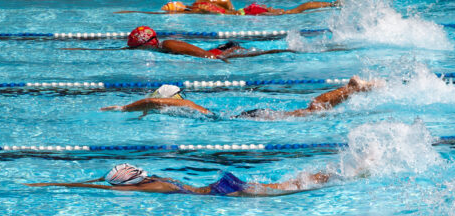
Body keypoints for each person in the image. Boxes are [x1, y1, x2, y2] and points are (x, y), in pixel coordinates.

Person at [101, 75, 377, 118]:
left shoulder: (182, 103)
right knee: (309, 111)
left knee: (311, 112)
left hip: (246, 120)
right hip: (242, 118)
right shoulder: (183, 104)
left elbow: (154, 101)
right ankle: (351, 89)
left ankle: (351, 89)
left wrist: (124, 107)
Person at [24, 161, 335, 197]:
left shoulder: (150, 189)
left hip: (217, 193)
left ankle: (322, 177)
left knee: (280, 193)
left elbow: (110, 186)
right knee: (278, 187)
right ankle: (321, 175)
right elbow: (105, 182)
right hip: (218, 184)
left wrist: (52, 186)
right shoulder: (154, 178)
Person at [124, 25, 287, 58]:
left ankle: (289, 49)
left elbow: (197, 52)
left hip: (220, 53)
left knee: (260, 54)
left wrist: (214, 58)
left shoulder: (167, 44)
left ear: (144, 44)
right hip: (218, 50)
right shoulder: (158, 47)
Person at [117, 0, 336, 14]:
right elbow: (228, 3)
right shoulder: (201, 3)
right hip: (245, 10)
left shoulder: (197, 9)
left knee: (293, 12)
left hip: (247, 14)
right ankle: (331, 4)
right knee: (292, 11)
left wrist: (133, 11)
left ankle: (331, 3)